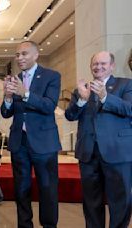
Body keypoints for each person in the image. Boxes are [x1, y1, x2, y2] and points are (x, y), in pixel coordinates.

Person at [65, 51, 132, 228]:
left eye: (103, 64)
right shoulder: (82, 89)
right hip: (88, 153)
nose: (98, 67)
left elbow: (129, 109)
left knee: (120, 200)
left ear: (112, 66)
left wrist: (104, 97)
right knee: (91, 202)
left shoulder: (126, 85)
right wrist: (81, 100)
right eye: (95, 64)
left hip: (117, 153)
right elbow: (70, 115)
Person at [1, 41, 61, 228]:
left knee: (48, 189)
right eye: (17, 54)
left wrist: (24, 93)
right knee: (21, 189)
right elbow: (6, 113)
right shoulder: (14, 79)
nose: (20, 58)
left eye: (24, 54)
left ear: (36, 55)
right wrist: (8, 97)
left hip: (44, 143)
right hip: (20, 143)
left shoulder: (51, 76)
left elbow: (49, 106)